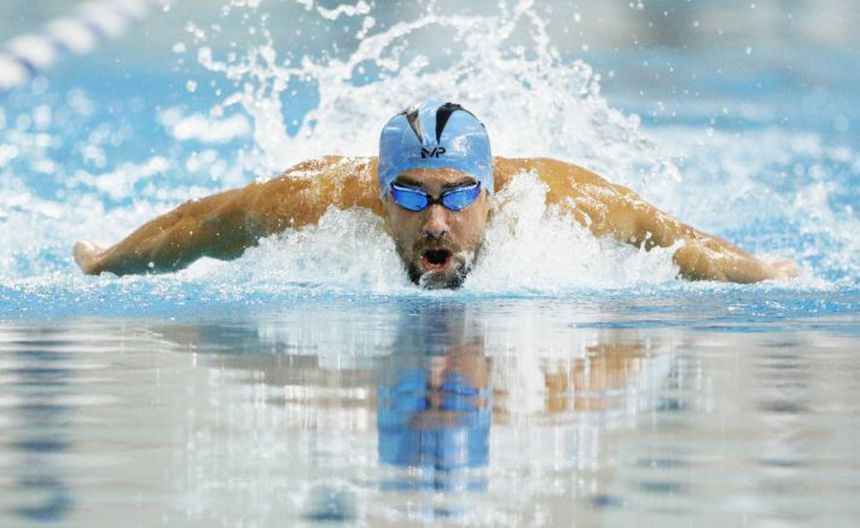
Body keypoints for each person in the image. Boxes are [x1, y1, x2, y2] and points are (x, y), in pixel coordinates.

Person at [73, 99, 798, 288]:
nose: (438, 222)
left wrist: (762, 273)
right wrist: (107, 262)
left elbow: (672, 239)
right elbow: (201, 222)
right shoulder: (321, 199)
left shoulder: (556, 200)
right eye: (412, 197)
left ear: (491, 189)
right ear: (379, 193)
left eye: (458, 195)